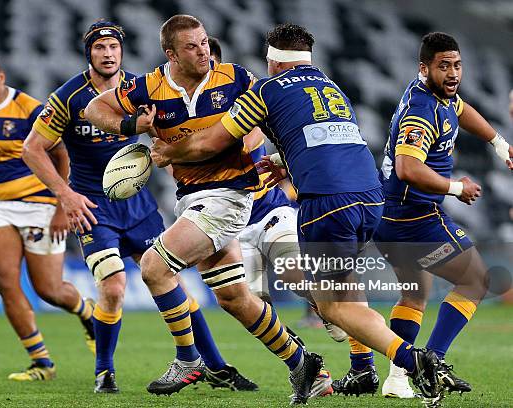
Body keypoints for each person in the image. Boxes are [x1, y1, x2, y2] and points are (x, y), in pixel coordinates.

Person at [148, 23, 451, 401]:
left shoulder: (264, 89)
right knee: (333, 297)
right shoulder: (328, 84)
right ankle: (368, 369)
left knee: (333, 306)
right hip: (370, 196)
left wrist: (166, 152)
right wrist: (284, 161)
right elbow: (323, 139)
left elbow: (210, 142)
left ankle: (411, 360)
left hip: (323, 203)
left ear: (273, 61)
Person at [84, 15, 323, 404]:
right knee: (234, 298)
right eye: (192, 46)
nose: (203, 52)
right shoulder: (149, 87)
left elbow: (263, 121)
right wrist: (130, 125)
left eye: (204, 43)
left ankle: (188, 358)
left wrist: (250, 136)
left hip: (229, 196)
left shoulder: (236, 78)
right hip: (192, 200)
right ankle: (304, 366)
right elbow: (96, 108)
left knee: (153, 267)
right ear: (171, 53)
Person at [23, 19, 256, 394]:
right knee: (113, 286)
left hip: (140, 207)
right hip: (93, 207)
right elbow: (32, 148)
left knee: (171, 281)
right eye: (100, 48)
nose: (108, 54)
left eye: (113, 47)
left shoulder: (144, 88)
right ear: (89, 54)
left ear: (121, 51)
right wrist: (64, 196)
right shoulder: (69, 96)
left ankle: (214, 366)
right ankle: (104, 371)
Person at [373, 32, 513, 399]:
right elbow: (407, 166)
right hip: (414, 217)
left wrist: (498, 144)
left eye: (457, 65)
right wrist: (455, 187)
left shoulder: (439, 95)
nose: (453, 73)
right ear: (424, 68)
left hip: (389, 216)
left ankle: (398, 378)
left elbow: (462, 110)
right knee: (476, 280)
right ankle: (431, 363)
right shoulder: (423, 110)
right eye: (443, 66)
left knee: (415, 295)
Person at [0, 51, 95, 382]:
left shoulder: (30, 109)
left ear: (1, 77)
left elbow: (62, 155)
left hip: (41, 204)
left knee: (49, 290)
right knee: (5, 281)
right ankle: (42, 362)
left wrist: (62, 205)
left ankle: (87, 312)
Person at [208, 35, 335, 398]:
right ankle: (311, 367)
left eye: (214, 66)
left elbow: (250, 141)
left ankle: (347, 329)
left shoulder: (245, 93)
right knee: (245, 304)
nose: (209, 73)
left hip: (267, 210)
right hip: (229, 225)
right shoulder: (179, 113)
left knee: (297, 273)